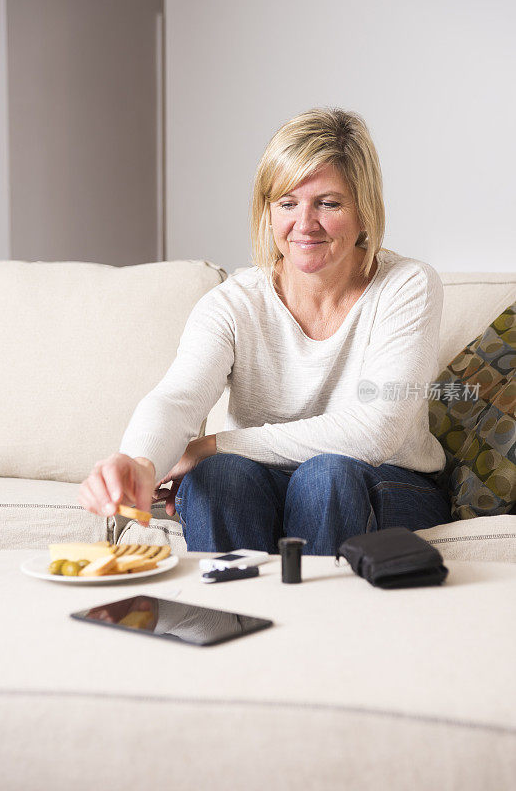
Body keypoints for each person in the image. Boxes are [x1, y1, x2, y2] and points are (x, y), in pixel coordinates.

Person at [79, 107, 451, 556]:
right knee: (217, 477)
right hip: (267, 478)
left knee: (324, 476)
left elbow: (376, 430)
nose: (304, 224)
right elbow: (177, 398)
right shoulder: (235, 303)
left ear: (365, 212)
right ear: (268, 213)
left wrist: (213, 444)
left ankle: (324, 625)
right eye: (287, 204)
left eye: (328, 203)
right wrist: (139, 462)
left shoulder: (408, 286)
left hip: (390, 481)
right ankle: (238, 619)